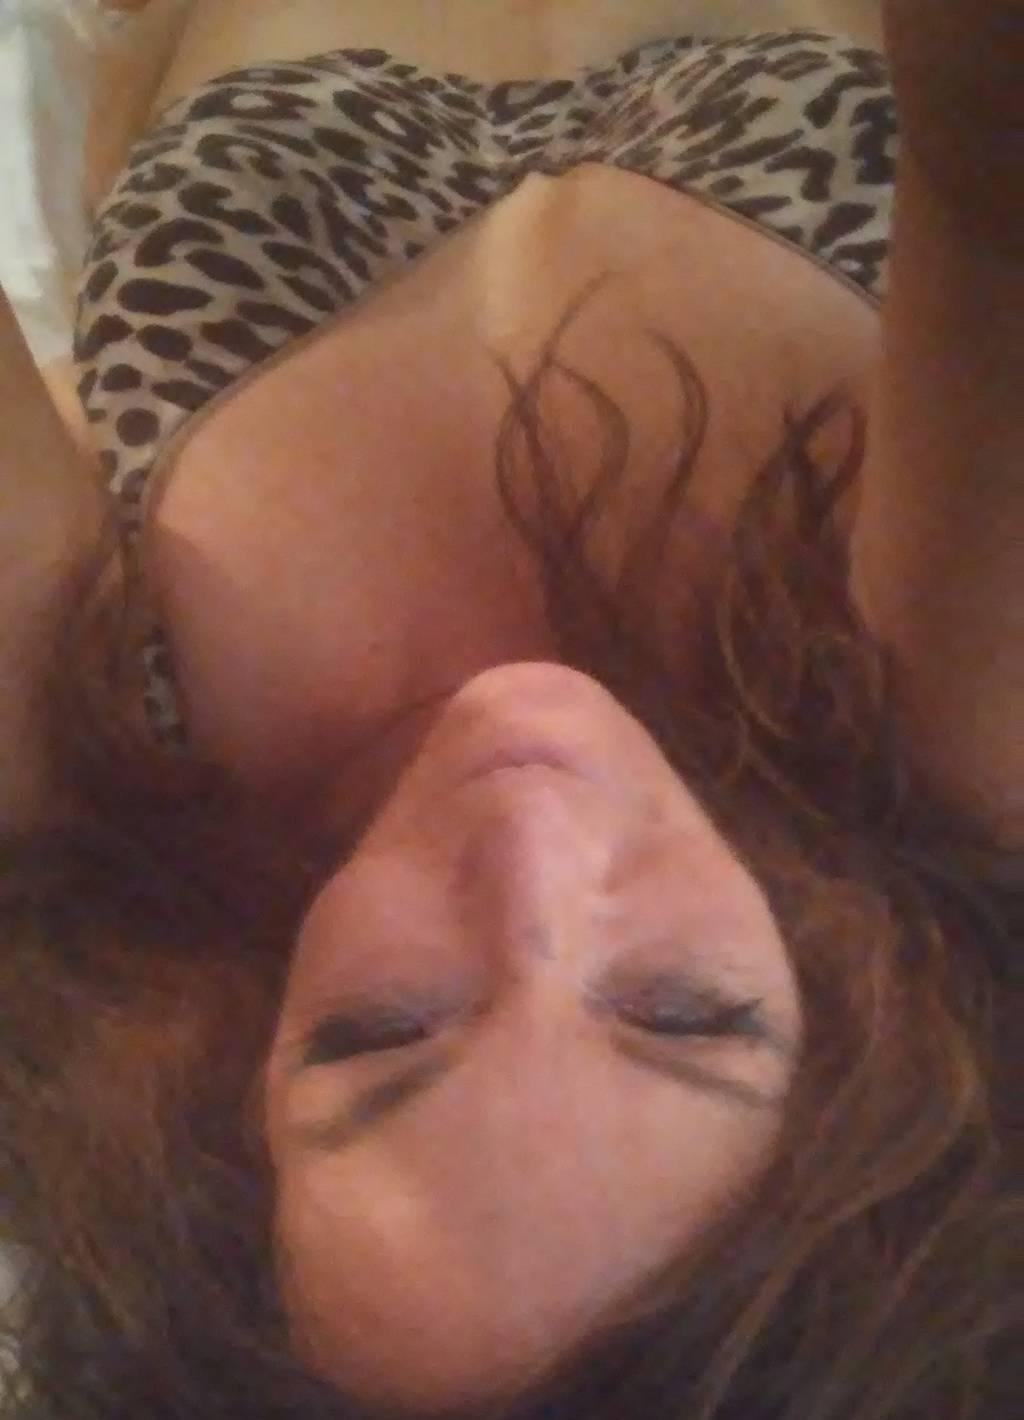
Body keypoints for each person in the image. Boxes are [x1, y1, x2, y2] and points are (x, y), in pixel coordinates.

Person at [0, 2, 1019, 1417]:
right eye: (685, 1011)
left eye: (378, 1032)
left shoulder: (84, 814)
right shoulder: (963, 757)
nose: (529, 839)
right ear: (862, 1079)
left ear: (223, 1117)